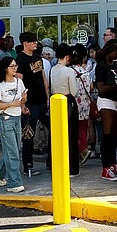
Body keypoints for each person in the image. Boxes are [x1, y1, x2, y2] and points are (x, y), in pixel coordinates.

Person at [0, 56, 27, 192]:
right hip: (5, 118)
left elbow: (23, 98)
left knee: (14, 149)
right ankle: (14, 182)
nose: (15, 68)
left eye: (15, 65)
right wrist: (11, 103)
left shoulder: (19, 82)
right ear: (5, 69)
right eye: (12, 66)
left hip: (17, 116)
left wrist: (23, 101)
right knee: (12, 152)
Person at [16, 31, 48, 178]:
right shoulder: (20, 60)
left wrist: (47, 97)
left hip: (42, 100)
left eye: (36, 41)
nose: (36, 43)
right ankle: (28, 165)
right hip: (30, 103)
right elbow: (19, 84)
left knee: (53, 128)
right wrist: (23, 104)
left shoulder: (37, 58)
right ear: (25, 43)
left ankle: (52, 161)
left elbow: (43, 78)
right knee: (28, 134)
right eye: (32, 41)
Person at [46, 43, 81, 177]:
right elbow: (74, 91)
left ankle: (54, 164)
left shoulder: (53, 70)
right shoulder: (69, 71)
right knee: (71, 135)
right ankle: (71, 168)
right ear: (67, 56)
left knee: (55, 135)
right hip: (68, 102)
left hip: (55, 101)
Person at [94, 39, 117, 180]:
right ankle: (105, 166)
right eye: (115, 51)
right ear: (109, 51)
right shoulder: (101, 66)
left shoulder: (116, 64)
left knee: (115, 133)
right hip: (106, 100)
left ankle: (113, 163)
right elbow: (101, 88)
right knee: (107, 133)